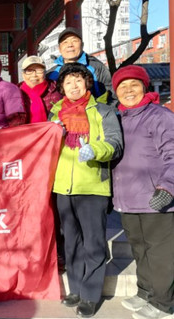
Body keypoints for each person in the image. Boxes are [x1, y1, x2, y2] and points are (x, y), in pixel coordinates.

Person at [48, 63, 122, 318]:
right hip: (63, 187)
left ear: (87, 83)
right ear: (62, 88)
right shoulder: (55, 112)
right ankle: (77, 288)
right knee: (71, 243)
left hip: (92, 185)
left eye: (78, 81)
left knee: (93, 243)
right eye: (68, 82)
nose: (74, 86)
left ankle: (90, 294)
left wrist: (96, 150)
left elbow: (115, 143)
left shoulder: (102, 111)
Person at [111, 65, 174, 319]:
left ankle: (164, 304)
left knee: (160, 253)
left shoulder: (159, 116)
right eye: (122, 87)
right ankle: (145, 291)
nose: (128, 90)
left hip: (155, 198)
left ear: (144, 88)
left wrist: (168, 187)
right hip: (128, 200)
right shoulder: (118, 118)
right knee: (139, 249)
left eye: (133, 85)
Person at [47, 27, 114, 103]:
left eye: (74, 40)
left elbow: (111, 95)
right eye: (65, 42)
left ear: (82, 45)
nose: (70, 45)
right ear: (59, 48)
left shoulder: (97, 68)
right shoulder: (51, 74)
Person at [19, 55, 62, 123]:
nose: (34, 75)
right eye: (29, 71)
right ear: (23, 75)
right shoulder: (15, 93)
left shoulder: (56, 90)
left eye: (39, 70)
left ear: (45, 73)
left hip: (49, 132)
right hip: (24, 132)